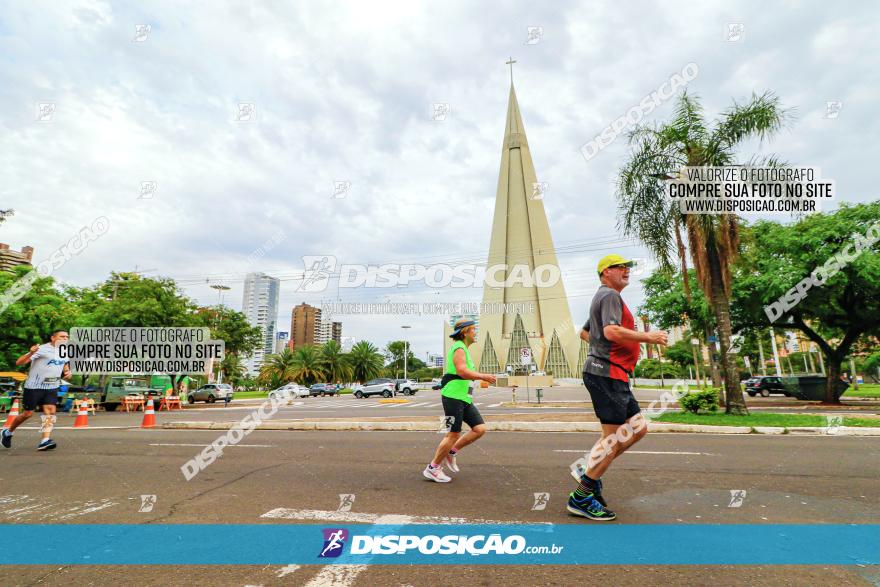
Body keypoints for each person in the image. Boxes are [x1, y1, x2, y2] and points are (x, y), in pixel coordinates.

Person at [567, 255, 668, 520]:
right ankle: (582, 495)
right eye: (620, 267)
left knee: (638, 429)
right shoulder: (609, 295)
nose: (626, 271)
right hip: (606, 374)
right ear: (605, 272)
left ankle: (588, 467)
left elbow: (585, 332)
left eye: (628, 267)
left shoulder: (606, 297)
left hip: (614, 373)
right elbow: (611, 332)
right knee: (613, 439)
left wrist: (602, 347)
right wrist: (649, 337)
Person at [423, 318, 496, 482]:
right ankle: (433, 468)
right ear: (465, 332)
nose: (475, 332)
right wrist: (483, 376)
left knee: (479, 428)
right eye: (473, 329)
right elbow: (462, 371)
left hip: (464, 398)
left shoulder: (463, 349)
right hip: (453, 396)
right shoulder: (458, 348)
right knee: (453, 434)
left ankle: (452, 451)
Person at [2, 330, 71, 451]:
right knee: (28, 414)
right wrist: (30, 353)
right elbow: (19, 362)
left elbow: (65, 365)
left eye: (67, 337)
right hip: (34, 386)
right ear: (53, 338)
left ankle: (45, 440)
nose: (65, 339)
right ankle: (8, 432)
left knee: (50, 412)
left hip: (51, 386)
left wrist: (67, 372)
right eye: (62, 336)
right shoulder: (42, 349)